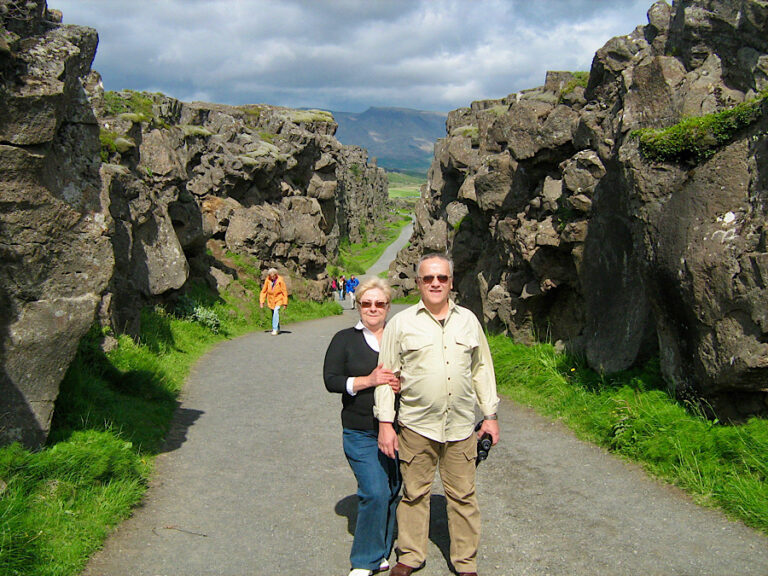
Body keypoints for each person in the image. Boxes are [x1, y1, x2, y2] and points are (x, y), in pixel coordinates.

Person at [374, 253, 500, 576]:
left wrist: (490, 416)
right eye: (428, 278)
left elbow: (482, 369)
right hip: (416, 426)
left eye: (441, 277)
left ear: (451, 282)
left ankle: (465, 562)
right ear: (418, 282)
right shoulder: (401, 324)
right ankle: (410, 556)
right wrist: (385, 422)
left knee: (464, 496)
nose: (435, 283)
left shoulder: (468, 321)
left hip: (460, 428)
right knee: (414, 493)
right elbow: (386, 377)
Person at [323, 278, 402, 576]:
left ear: (388, 307)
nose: (373, 308)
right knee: (374, 491)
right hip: (359, 430)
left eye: (379, 303)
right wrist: (368, 381)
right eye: (366, 303)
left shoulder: (400, 338)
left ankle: (380, 551)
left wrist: (403, 384)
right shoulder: (344, 339)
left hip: (399, 429)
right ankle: (364, 560)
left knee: (392, 489)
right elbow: (331, 380)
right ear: (357, 305)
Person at [259, 268, 288, 335]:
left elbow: (284, 291)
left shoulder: (280, 280)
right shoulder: (267, 280)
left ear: (276, 275)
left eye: (273, 276)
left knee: (276, 311)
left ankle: (274, 329)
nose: (272, 277)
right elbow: (263, 291)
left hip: (279, 299)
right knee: (274, 314)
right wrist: (262, 302)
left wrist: (285, 303)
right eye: (271, 276)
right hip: (271, 300)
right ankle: (278, 328)